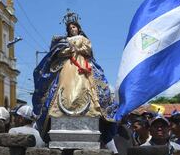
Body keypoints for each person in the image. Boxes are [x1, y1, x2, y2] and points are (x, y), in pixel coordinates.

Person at [32, 10, 117, 144]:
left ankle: (91, 113)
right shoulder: (64, 41)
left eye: (74, 27)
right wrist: (65, 49)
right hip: (68, 65)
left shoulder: (84, 39)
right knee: (63, 87)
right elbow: (59, 53)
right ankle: (61, 114)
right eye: (70, 28)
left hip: (83, 65)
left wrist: (75, 49)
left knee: (91, 88)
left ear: (78, 28)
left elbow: (87, 49)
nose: (72, 29)